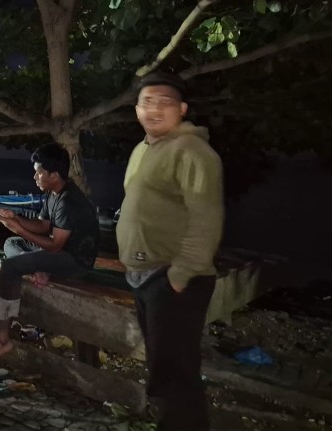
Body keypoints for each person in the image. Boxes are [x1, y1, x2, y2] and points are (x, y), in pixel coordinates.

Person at [117, 72, 224, 431]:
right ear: (136, 109)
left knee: (174, 376)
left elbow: (206, 219)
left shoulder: (193, 151)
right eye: (147, 101)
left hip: (173, 278)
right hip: (145, 276)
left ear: (182, 109)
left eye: (165, 102)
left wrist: (179, 276)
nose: (155, 109)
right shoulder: (142, 150)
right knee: (163, 368)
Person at [0, 144, 99, 365]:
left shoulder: (69, 201)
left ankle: (2, 338)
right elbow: (42, 226)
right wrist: (14, 218)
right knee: (11, 243)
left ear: (54, 175)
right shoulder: (53, 193)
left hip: (74, 261)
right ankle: (39, 268)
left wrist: (18, 228)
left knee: (10, 267)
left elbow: (55, 246)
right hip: (55, 253)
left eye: (39, 172)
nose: (34, 177)